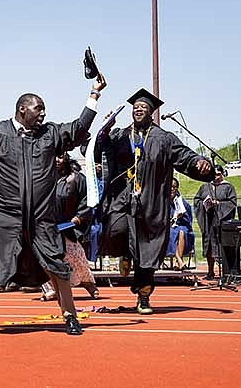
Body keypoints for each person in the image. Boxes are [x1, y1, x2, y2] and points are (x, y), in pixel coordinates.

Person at [0, 74, 107, 335]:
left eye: (44, 110)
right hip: (2, 213)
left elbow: (79, 128)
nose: (43, 114)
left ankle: (70, 316)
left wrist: (94, 93)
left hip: (40, 215)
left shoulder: (50, 134)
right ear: (22, 109)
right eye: (39, 109)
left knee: (56, 263)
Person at [95, 88, 214, 315]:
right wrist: (104, 130)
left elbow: (185, 156)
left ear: (151, 113)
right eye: (135, 107)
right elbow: (96, 149)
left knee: (148, 252)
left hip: (152, 203)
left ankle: (143, 297)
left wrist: (200, 161)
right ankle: (126, 254)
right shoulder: (120, 135)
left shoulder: (164, 138)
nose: (138, 110)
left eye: (144, 108)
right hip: (123, 196)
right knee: (115, 228)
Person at [40, 153, 99, 301]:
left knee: (76, 255)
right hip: (46, 225)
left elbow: (87, 200)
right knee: (43, 257)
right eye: (54, 156)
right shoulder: (41, 177)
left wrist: (78, 218)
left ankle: (88, 283)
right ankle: (50, 288)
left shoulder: (76, 178)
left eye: (60, 156)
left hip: (68, 225)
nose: (57, 160)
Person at [194, 164, 237, 280]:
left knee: (223, 246)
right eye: (213, 175)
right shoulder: (205, 186)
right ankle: (210, 271)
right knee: (209, 247)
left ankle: (226, 273)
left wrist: (219, 204)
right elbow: (197, 200)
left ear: (222, 174)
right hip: (208, 221)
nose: (215, 177)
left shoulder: (228, 187)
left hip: (222, 222)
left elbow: (232, 204)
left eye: (218, 174)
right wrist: (204, 204)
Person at [167, 177, 195, 270]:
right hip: (167, 227)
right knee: (173, 233)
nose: (172, 189)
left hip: (181, 226)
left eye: (174, 187)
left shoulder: (182, 203)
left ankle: (177, 261)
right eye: (170, 186)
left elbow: (188, 220)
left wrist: (181, 216)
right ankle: (179, 260)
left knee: (182, 232)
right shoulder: (162, 201)